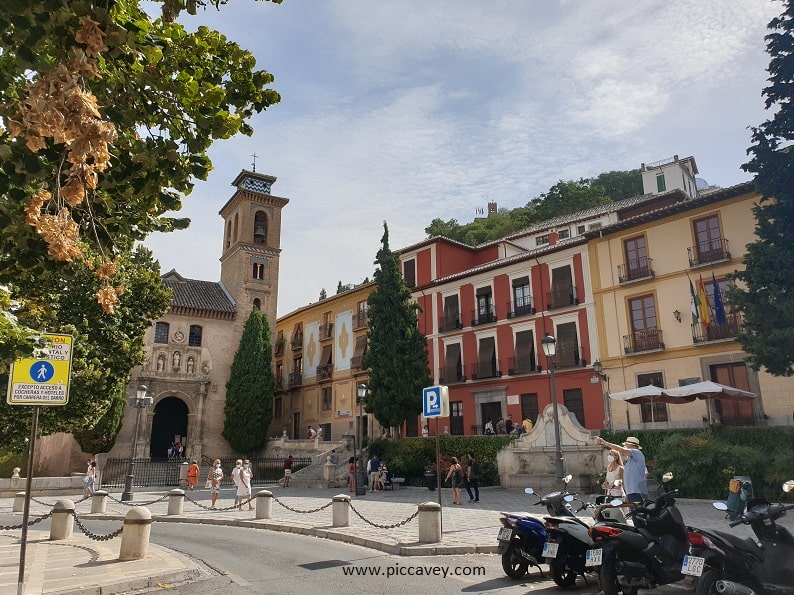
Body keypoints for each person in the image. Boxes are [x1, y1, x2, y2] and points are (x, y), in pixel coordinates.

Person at [596, 436, 646, 503]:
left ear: (633, 445)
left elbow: (621, 450)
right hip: (631, 493)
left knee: (638, 512)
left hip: (637, 492)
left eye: (626, 445)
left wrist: (605, 443)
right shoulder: (629, 460)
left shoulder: (637, 452)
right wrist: (626, 494)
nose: (625, 446)